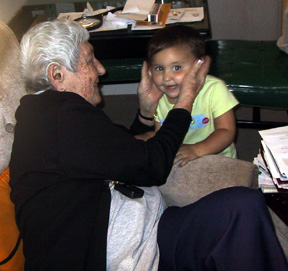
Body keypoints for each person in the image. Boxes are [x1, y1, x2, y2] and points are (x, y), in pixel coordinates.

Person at [9, 19, 288, 271]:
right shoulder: (60, 117)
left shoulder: (49, 117)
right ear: (57, 75)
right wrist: (185, 102)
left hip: (148, 232)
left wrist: (145, 111)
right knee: (241, 211)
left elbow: (119, 150)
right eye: (90, 61)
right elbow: (152, 165)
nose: (101, 70)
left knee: (244, 206)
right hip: (132, 255)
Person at [147, 25, 238, 167]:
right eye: (159, 68)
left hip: (219, 160)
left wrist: (197, 149)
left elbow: (226, 131)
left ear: (199, 66)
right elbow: (162, 135)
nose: (166, 77)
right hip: (183, 160)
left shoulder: (214, 89)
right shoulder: (158, 98)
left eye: (176, 68)